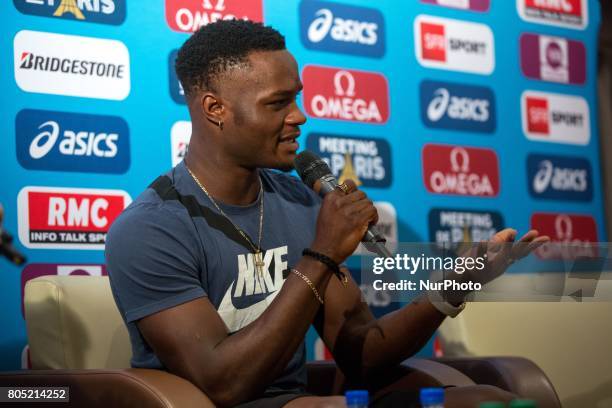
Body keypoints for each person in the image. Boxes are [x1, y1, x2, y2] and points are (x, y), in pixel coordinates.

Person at [105, 20, 549, 407]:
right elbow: (223, 383)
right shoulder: (151, 227)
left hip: (305, 400)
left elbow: (361, 350)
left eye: (296, 98)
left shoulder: (299, 202)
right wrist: (321, 253)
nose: (299, 116)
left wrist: (451, 288)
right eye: (277, 104)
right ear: (214, 109)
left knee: (488, 400)